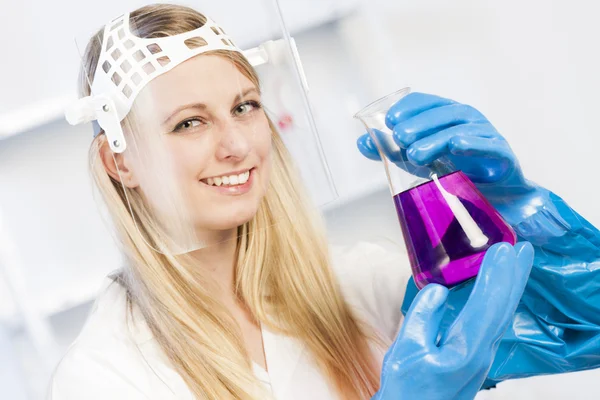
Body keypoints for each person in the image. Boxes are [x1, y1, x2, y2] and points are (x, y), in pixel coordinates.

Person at [47, 3, 600, 400]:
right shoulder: (104, 377)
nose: (237, 146)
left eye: (245, 107)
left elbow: (581, 334)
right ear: (119, 162)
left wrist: (521, 210)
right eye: (189, 122)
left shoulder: (355, 285)